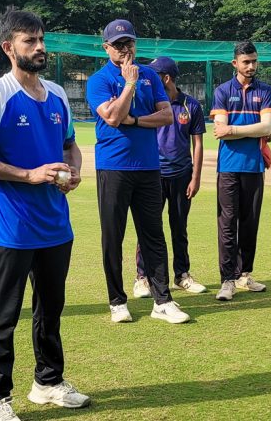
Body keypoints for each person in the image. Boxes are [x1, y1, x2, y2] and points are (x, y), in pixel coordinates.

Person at [0, 9, 90, 421]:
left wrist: (75, 171)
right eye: (29, 40)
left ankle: (48, 383)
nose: (39, 47)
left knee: (50, 312)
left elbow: (69, 145)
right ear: (7, 47)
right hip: (12, 229)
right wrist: (28, 175)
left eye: (41, 39)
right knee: (3, 317)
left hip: (55, 226)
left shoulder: (57, 94)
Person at [86, 19, 190, 324]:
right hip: (113, 167)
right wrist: (129, 84)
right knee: (113, 236)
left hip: (148, 167)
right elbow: (114, 117)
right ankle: (117, 301)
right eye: (118, 44)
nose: (125, 49)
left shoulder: (150, 75)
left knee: (153, 236)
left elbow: (167, 115)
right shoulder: (99, 80)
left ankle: (163, 300)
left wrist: (135, 120)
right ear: (106, 48)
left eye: (129, 43)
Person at [132, 56, 207, 298]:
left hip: (182, 175)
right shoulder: (149, 103)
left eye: (154, 75)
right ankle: (142, 277)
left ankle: (182, 275)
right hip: (152, 174)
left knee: (179, 227)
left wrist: (195, 177)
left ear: (166, 78)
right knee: (149, 227)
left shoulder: (191, 106)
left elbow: (198, 145)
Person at [210, 41, 271, 301]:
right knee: (227, 225)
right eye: (246, 62)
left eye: (254, 61)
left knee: (250, 223)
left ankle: (244, 274)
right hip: (228, 167)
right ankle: (227, 280)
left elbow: (265, 128)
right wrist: (255, 128)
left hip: (254, 166)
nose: (251, 66)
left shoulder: (265, 90)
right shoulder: (222, 91)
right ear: (234, 63)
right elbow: (219, 129)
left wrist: (235, 130)